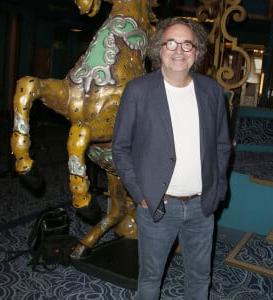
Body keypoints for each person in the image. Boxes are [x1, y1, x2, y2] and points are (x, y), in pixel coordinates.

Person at [112, 17, 231, 300]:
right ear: (159, 48)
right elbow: (121, 148)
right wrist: (141, 194)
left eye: (187, 44)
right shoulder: (138, 91)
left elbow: (222, 145)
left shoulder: (212, 92)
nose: (179, 50)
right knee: (151, 279)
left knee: (200, 277)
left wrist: (217, 190)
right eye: (172, 43)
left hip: (202, 207)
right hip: (157, 207)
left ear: (197, 51)